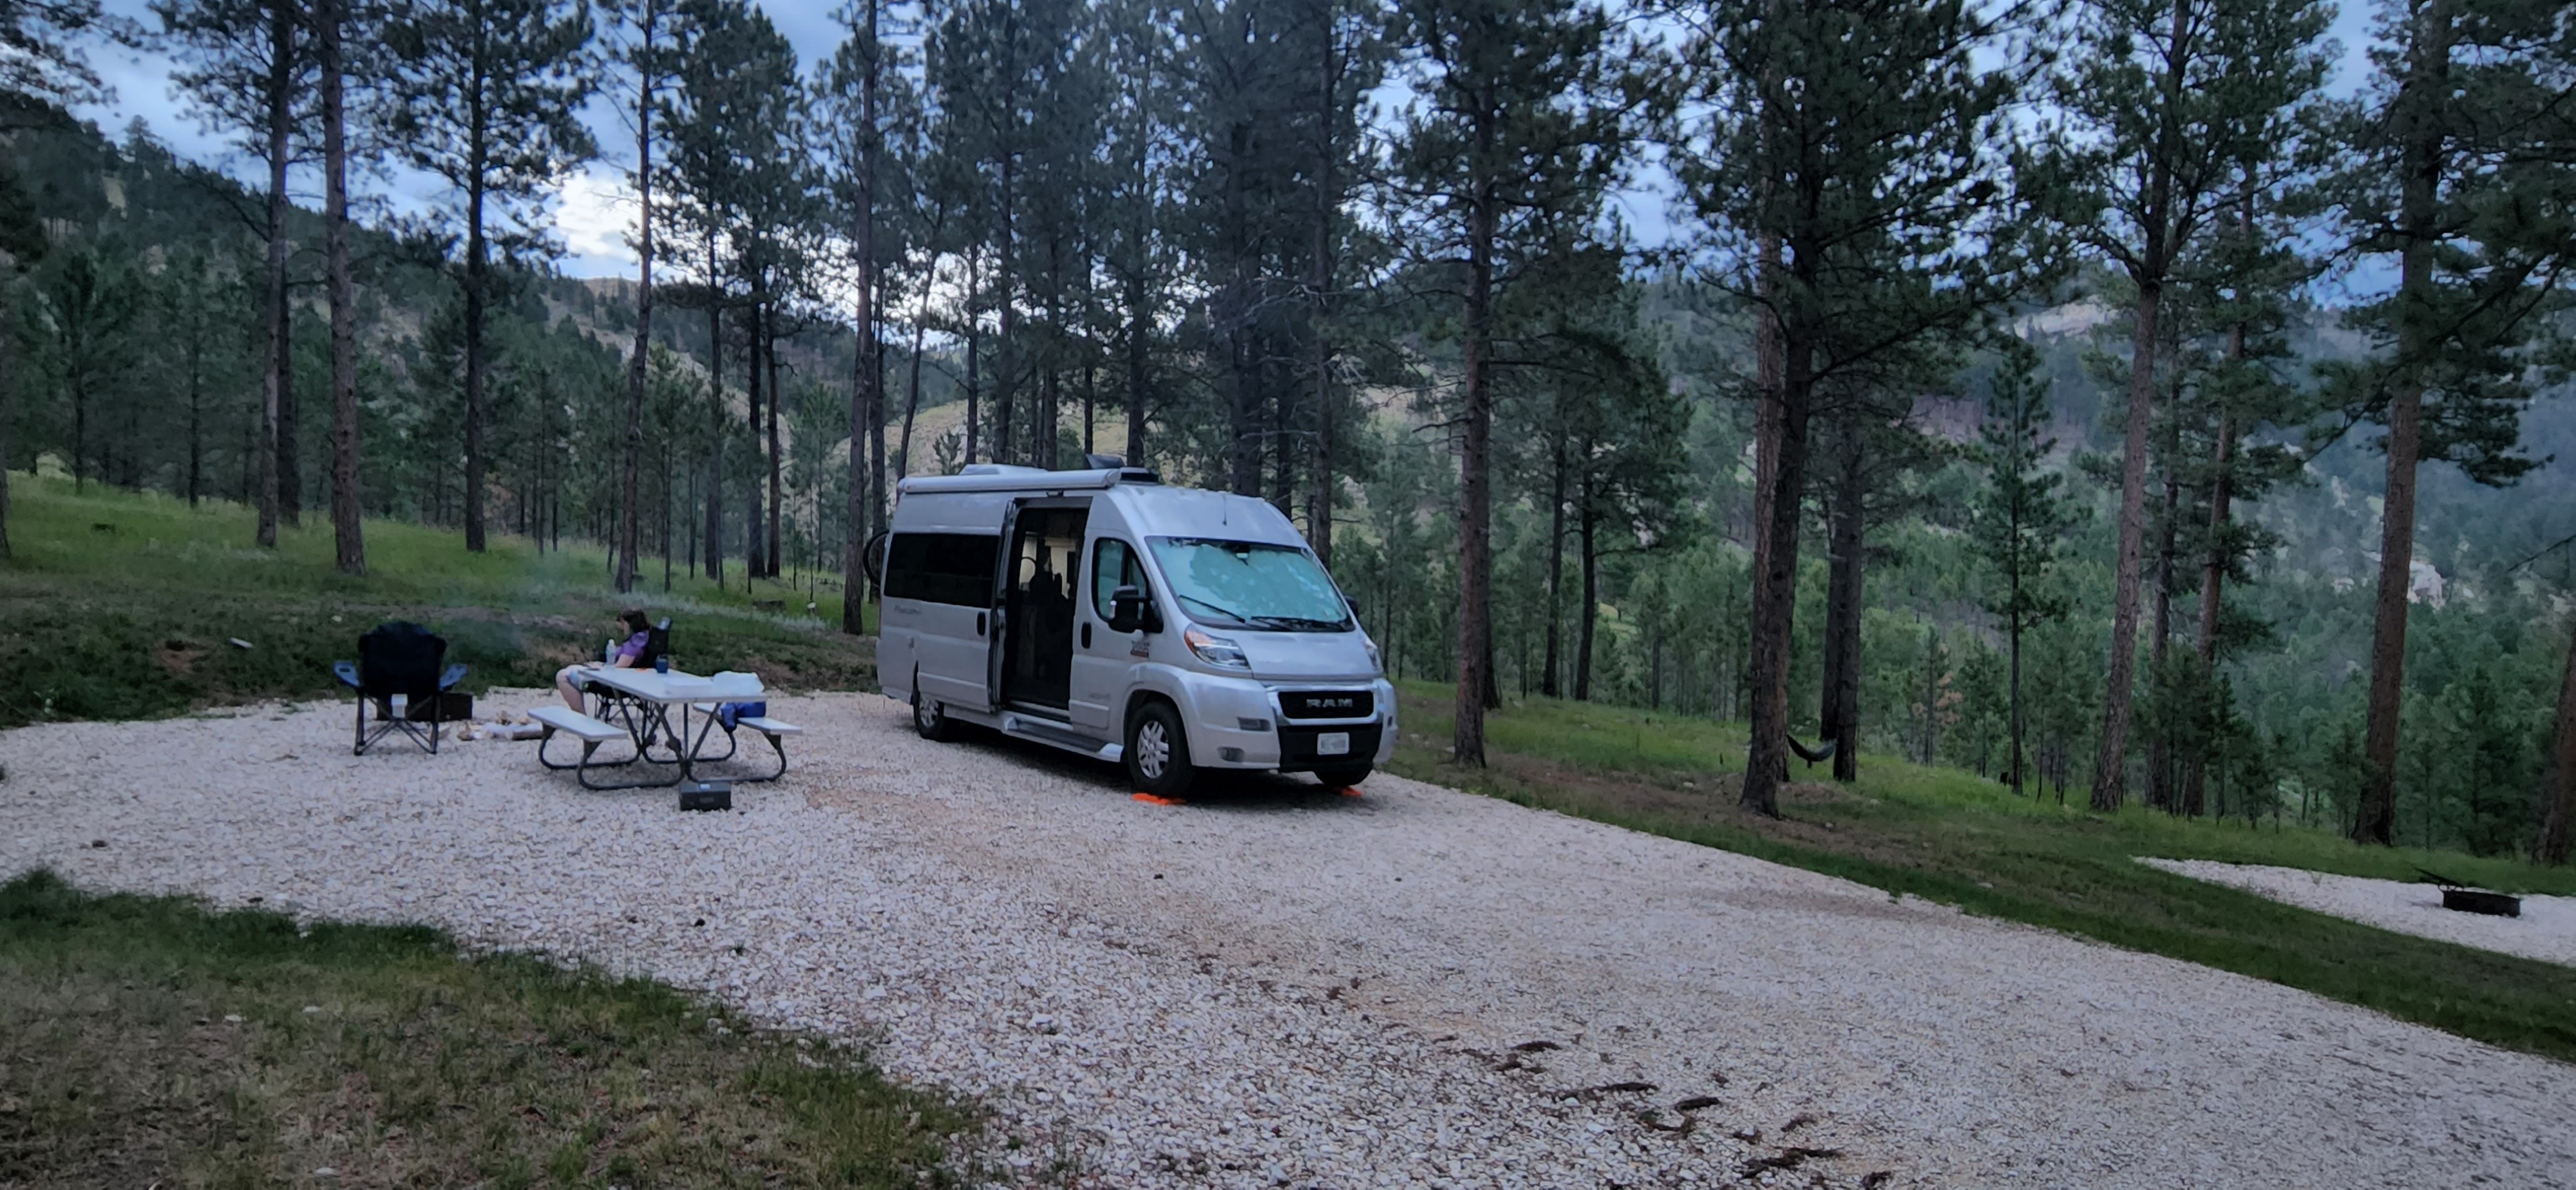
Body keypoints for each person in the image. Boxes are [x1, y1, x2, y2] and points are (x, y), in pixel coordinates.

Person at [556, 609, 653, 712]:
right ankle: (579, 717)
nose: (622, 627)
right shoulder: (642, 638)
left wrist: (601, 668)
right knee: (569, 670)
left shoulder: (635, 643)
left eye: (623, 623)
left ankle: (581, 717)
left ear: (630, 624)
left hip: (611, 683)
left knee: (563, 676)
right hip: (615, 678)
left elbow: (620, 667)